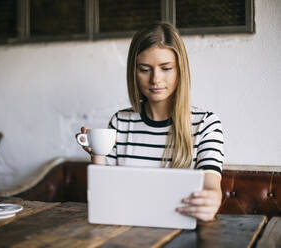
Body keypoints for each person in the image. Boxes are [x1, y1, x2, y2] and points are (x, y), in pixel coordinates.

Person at [76, 22, 223, 222]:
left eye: (166, 68)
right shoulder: (120, 122)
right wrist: (97, 154)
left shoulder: (205, 124)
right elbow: (103, 199)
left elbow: (212, 185)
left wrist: (212, 200)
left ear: (180, 70)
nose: (155, 79)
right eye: (144, 69)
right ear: (133, 73)